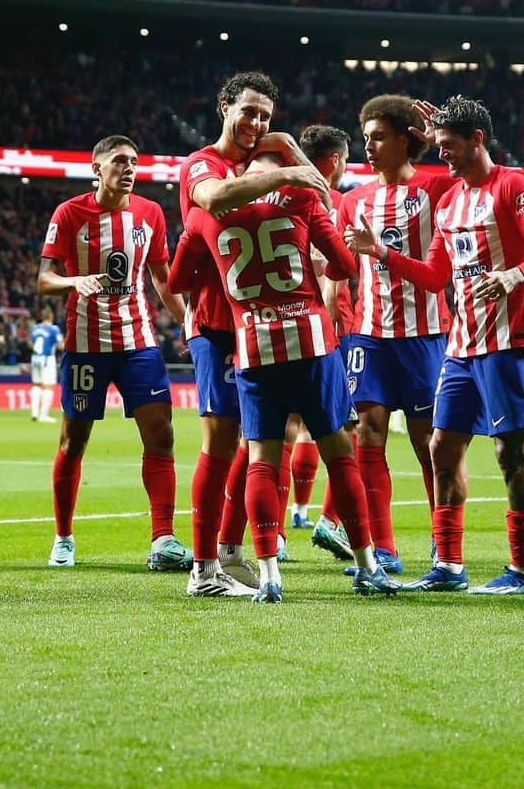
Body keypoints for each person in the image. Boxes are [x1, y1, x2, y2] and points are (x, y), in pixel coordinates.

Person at [347, 94, 524, 595]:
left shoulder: (513, 187)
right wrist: (380, 251)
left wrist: (514, 275)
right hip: (461, 345)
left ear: (477, 141)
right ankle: (448, 564)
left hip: (507, 343)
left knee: (508, 452)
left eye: (448, 146)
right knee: (442, 447)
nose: (440, 154)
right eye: (437, 145)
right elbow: (435, 275)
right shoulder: (449, 201)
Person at [169, 152, 402, 602]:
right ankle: (367, 566)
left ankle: (270, 576)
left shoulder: (204, 213)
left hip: (252, 347)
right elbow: (345, 267)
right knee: (340, 454)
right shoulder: (300, 197)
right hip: (312, 345)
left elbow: (179, 279)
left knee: (260, 459)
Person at [37, 135, 191, 571]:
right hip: (85, 346)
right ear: (97, 169)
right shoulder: (70, 214)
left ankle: (162, 539)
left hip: (138, 343)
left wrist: (186, 321)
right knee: (74, 440)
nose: (129, 169)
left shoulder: (150, 213)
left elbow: (162, 277)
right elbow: (44, 278)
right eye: (119, 161)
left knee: (161, 433)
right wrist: (73, 282)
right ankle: (63, 538)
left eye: (134, 162)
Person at [333, 94, 452, 574]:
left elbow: (485, 175)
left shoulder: (437, 189)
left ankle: (444, 543)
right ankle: (383, 548)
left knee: (430, 444)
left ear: (405, 140)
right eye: (365, 137)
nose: (369, 145)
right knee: (368, 434)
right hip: (369, 336)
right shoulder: (351, 200)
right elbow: (339, 269)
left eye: (379, 136)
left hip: (424, 337)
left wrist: (436, 135)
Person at [284, 125, 355, 557]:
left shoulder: (280, 197)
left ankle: (274, 535)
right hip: (328, 326)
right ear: (333, 161)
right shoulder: (333, 201)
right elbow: (331, 267)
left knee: (286, 429)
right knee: (344, 429)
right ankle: (330, 521)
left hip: (282, 326)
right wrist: (330, 315)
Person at [29, 306, 63, 423]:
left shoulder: (35, 328)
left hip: (35, 358)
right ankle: (43, 415)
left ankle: (34, 413)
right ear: (51, 317)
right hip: (47, 359)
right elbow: (60, 346)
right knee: (48, 386)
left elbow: (31, 344)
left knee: (36, 385)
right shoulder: (54, 329)